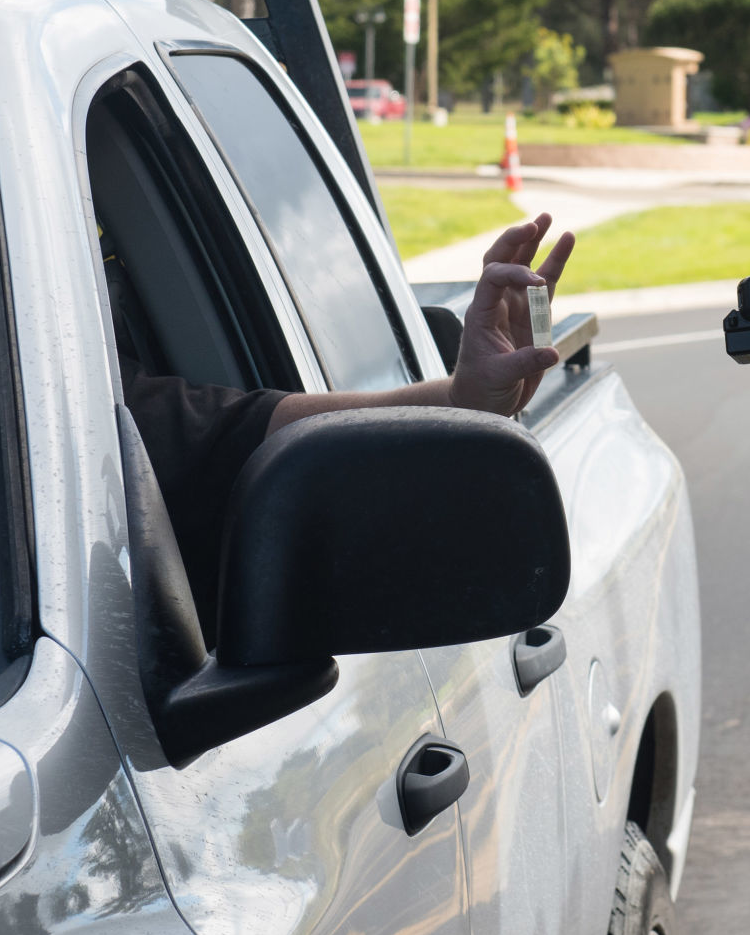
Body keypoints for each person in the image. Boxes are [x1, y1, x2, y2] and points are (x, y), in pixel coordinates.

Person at [119, 213, 574, 630]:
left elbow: (245, 432)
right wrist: (462, 402)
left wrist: (464, 401)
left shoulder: (107, 420)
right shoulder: (92, 414)